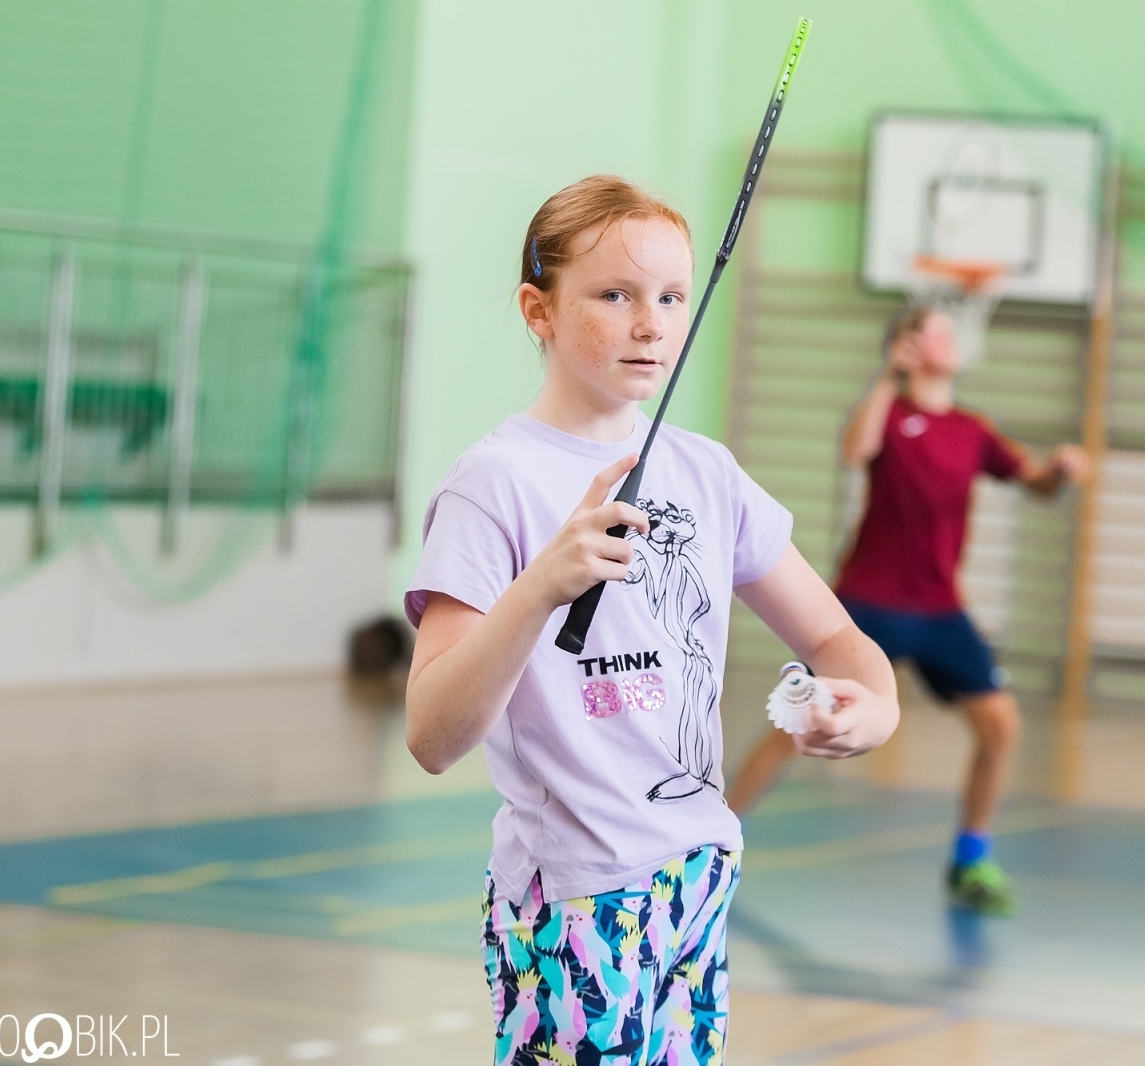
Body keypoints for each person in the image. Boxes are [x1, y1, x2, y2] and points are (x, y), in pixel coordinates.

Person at [403, 176, 899, 1065]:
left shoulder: (706, 472)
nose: (651, 323)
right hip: (577, 894)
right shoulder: (495, 482)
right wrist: (540, 586)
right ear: (538, 309)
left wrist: (872, 709)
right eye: (614, 295)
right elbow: (433, 734)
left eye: (671, 296)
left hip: (698, 869)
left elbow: (836, 640)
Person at [726, 304, 1089, 915]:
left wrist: (1061, 471)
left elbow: (1036, 483)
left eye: (948, 329)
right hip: (868, 604)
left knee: (1000, 725)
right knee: (797, 726)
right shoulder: (888, 413)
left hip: (942, 607)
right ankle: (717, 839)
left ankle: (972, 856)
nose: (947, 337)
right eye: (933, 328)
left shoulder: (973, 430)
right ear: (906, 345)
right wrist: (887, 376)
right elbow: (855, 450)